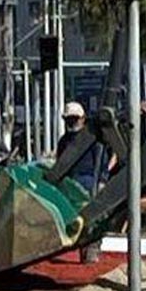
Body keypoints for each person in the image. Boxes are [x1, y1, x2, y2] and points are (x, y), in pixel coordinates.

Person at [56, 102, 111, 263]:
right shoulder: (64, 141)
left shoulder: (93, 140)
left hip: (88, 184)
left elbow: (102, 162)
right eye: (68, 119)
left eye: (74, 119)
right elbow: (59, 163)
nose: (71, 123)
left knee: (92, 219)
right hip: (70, 185)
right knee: (75, 220)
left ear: (82, 119)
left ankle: (92, 248)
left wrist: (102, 181)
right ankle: (83, 248)